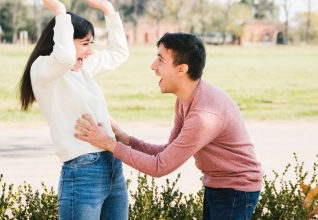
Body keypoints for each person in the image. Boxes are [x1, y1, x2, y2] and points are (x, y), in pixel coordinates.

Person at [74, 33, 263, 220]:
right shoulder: (186, 100)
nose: (153, 66)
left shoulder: (204, 115)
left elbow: (159, 166)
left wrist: (109, 144)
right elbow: (165, 152)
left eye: (160, 60)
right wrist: (123, 137)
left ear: (181, 69)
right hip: (219, 185)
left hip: (237, 190)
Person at [19, 0, 129, 219]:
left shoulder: (81, 68)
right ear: (63, 41)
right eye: (85, 43)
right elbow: (66, 56)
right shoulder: (43, 69)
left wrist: (108, 10)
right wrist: (60, 12)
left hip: (113, 163)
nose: (90, 52)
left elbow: (119, 53)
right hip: (83, 170)